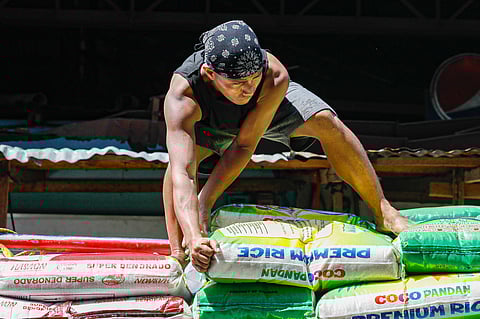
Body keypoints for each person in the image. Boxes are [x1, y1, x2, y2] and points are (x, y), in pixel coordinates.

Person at [163, 20, 409, 272]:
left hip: (263, 110)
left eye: (254, 77)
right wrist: (194, 234)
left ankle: (384, 212)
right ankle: (178, 252)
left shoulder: (273, 75)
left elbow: (245, 145)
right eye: (238, 83)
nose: (248, 88)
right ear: (209, 73)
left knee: (325, 121)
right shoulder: (184, 95)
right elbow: (184, 173)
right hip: (210, 120)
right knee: (177, 167)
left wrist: (206, 201)